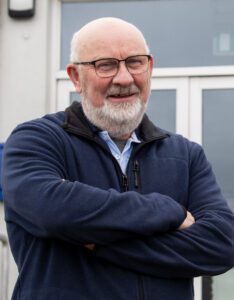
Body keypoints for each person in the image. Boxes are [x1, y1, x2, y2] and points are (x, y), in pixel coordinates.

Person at [2, 17, 234, 300]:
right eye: (106, 65)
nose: (124, 78)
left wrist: (101, 244)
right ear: (76, 77)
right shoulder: (37, 140)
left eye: (134, 62)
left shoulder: (186, 156)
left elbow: (222, 244)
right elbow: (51, 210)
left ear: (149, 68)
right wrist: (167, 210)